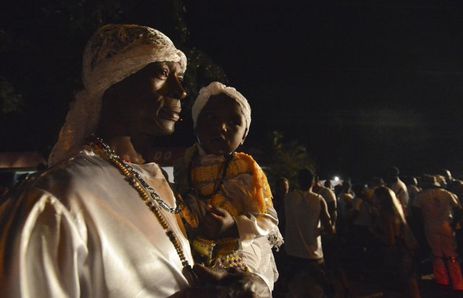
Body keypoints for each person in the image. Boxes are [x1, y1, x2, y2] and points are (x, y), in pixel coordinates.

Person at [0, 24, 268, 298]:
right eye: (162, 73)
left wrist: (243, 285)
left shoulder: (158, 183)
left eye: (179, 77)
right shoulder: (52, 201)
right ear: (115, 80)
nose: (181, 91)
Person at [173, 82, 282, 293]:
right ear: (196, 124)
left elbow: (268, 220)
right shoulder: (185, 164)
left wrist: (233, 226)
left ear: (244, 136)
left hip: (238, 254)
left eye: (234, 123)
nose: (222, 127)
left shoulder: (246, 169)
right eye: (212, 118)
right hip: (195, 252)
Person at [284, 168, 335, 297]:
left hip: (292, 253)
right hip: (313, 256)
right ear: (313, 182)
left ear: (298, 181)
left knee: (292, 290)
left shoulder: (288, 198)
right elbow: (330, 229)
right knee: (321, 290)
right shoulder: (319, 200)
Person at [412, 175, 463, 291]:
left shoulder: (420, 197)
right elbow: (459, 209)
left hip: (430, 226)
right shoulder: (447, 193)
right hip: (447, 225)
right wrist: (454, 224)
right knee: (452, 254)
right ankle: (458, 282)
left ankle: (442, 280)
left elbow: (416, 213)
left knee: (437, 254)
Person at [370, 186, 421, 298]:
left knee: (394, 283)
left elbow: (390, 239)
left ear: (381, 198)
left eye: (375, 195)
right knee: (410, 280)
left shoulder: (385, 214)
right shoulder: (397, 210)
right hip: (405, 249)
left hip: (394, 252)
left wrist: (375, 232)